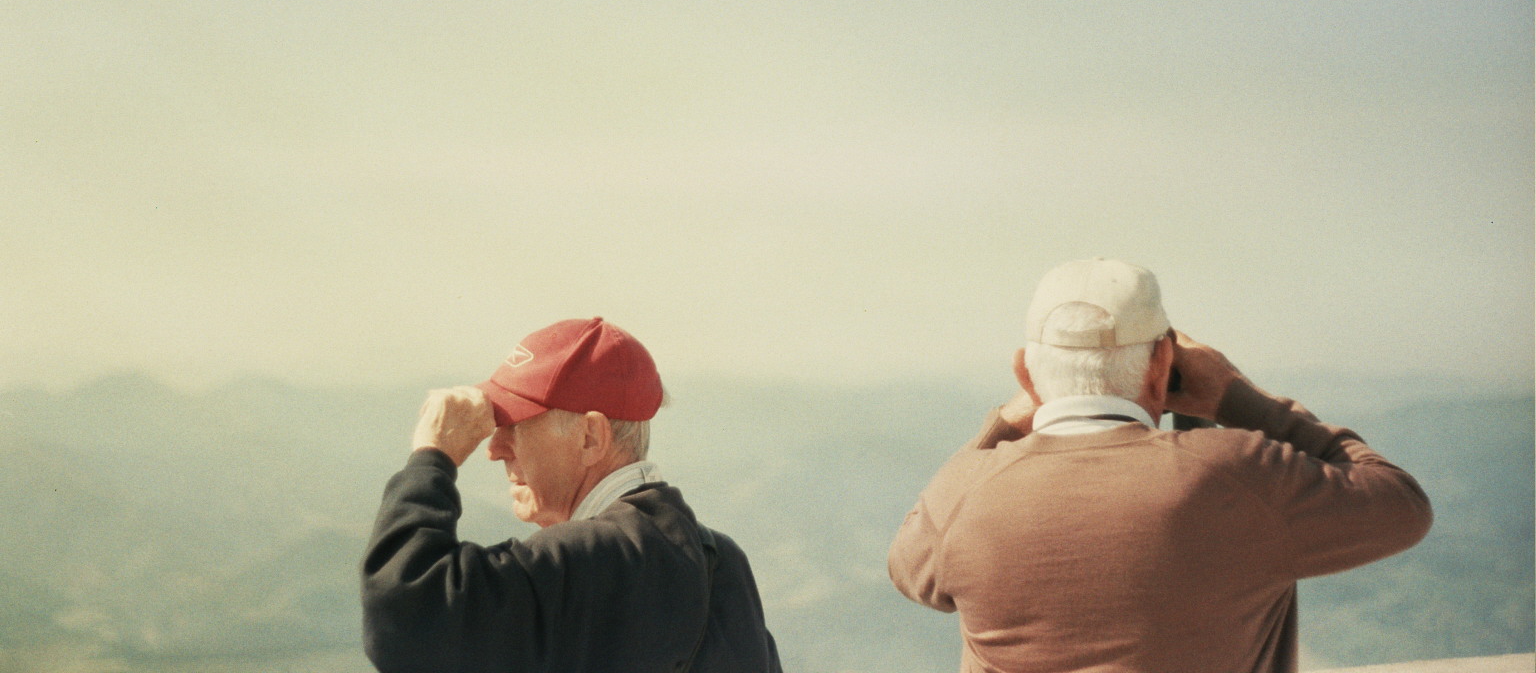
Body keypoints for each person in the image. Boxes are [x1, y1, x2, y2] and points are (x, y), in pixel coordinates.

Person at [888, 258, 1433, 673]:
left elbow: (907, 563)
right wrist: (1238, 398)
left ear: (1025, 374)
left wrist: (1005, 422)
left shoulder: (967, 490)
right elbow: (1401, 504)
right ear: (1162, 365)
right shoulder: (1237, 476)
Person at [362, 316, 783, 673]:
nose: (494, 448)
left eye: (515, 424)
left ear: (590, 437)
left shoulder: (590, 560)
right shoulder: (721, 561)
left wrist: (433, 457)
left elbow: (404, 609)